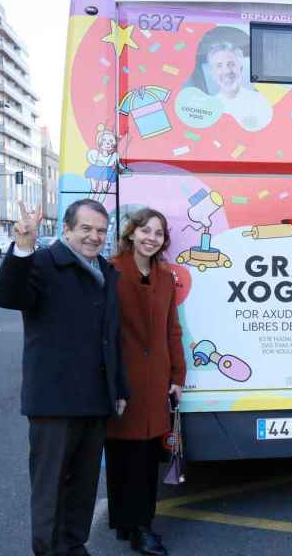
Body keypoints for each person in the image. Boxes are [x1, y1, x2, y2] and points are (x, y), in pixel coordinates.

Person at [0, 199, 128, 556]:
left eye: (101, 230)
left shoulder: (106, 270)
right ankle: (49, 550)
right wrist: (22, 247)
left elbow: (111, 338)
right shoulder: (44, 263)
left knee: (83, 487)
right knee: (50, 489)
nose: (94, 236)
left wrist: (120, 388)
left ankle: (73, 545)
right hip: (54, 401)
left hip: (95, 399)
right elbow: (7, 295)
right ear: (67, 230)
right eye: (85, 228)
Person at [105, 208, 187, 555]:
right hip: (124, 380)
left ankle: (141, 524)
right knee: (124, 456)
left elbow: (172, 329)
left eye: (158, 233)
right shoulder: (110, 270)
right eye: (145, 230)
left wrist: (178, 375)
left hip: (156, 381)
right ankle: (130, 525)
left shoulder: (165, 277)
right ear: (132, 233)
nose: (151, 238)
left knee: (147, 458)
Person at [205, 41, 272, 131]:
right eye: (219, 66)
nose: (227, 71)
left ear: (240, 68)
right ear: (213, 73)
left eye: (231, 64)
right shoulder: (207, 108)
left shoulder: (261, 100)